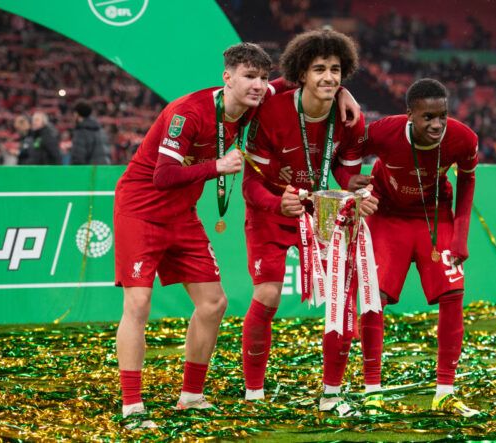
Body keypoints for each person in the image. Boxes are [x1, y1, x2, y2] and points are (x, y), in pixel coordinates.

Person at [113, 41, 361, 428]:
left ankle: (191, 396)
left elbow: (300, 79)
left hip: (182, 215)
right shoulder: (187, 112)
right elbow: (162, 176)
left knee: (214, 304)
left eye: (262, 78)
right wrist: (215, 166)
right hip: (140, 211)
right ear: (226, 78)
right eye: (248, 77)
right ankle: (132, 405)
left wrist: (342, 91)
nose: (258, 85)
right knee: (139, 304)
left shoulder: (253, 104)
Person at [241, 29, 378, 417]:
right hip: (272, 210)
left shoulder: (350, 119)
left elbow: (345, 175)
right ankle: (254, 393)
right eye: (319, 69)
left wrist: (358, 190)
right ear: (302, 73)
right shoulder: (271, 109)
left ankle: (331, 392)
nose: (329, 77)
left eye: (335, 70)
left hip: (321, 210)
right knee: (267, 295)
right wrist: (277, 203)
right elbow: (250, 183)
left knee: (341, 298)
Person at [352, 78, 481, 417]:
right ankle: (372, 391)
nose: (437, 124)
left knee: (453, 294)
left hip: (434, 216)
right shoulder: (384, 131)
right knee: (374, 297)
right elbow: (346, 153)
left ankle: (445, 392)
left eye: (443, 115)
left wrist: (460, 235)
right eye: (428, 117)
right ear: (409, 115)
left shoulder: (464, 138)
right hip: (387, 214)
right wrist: (352, 187)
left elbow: (468, 180)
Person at [71, 100, 111, 165]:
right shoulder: (101, 130)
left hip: (90, 170)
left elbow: (78, 158)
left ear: (77, 114)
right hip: (104, 168)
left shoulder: (81, 132)